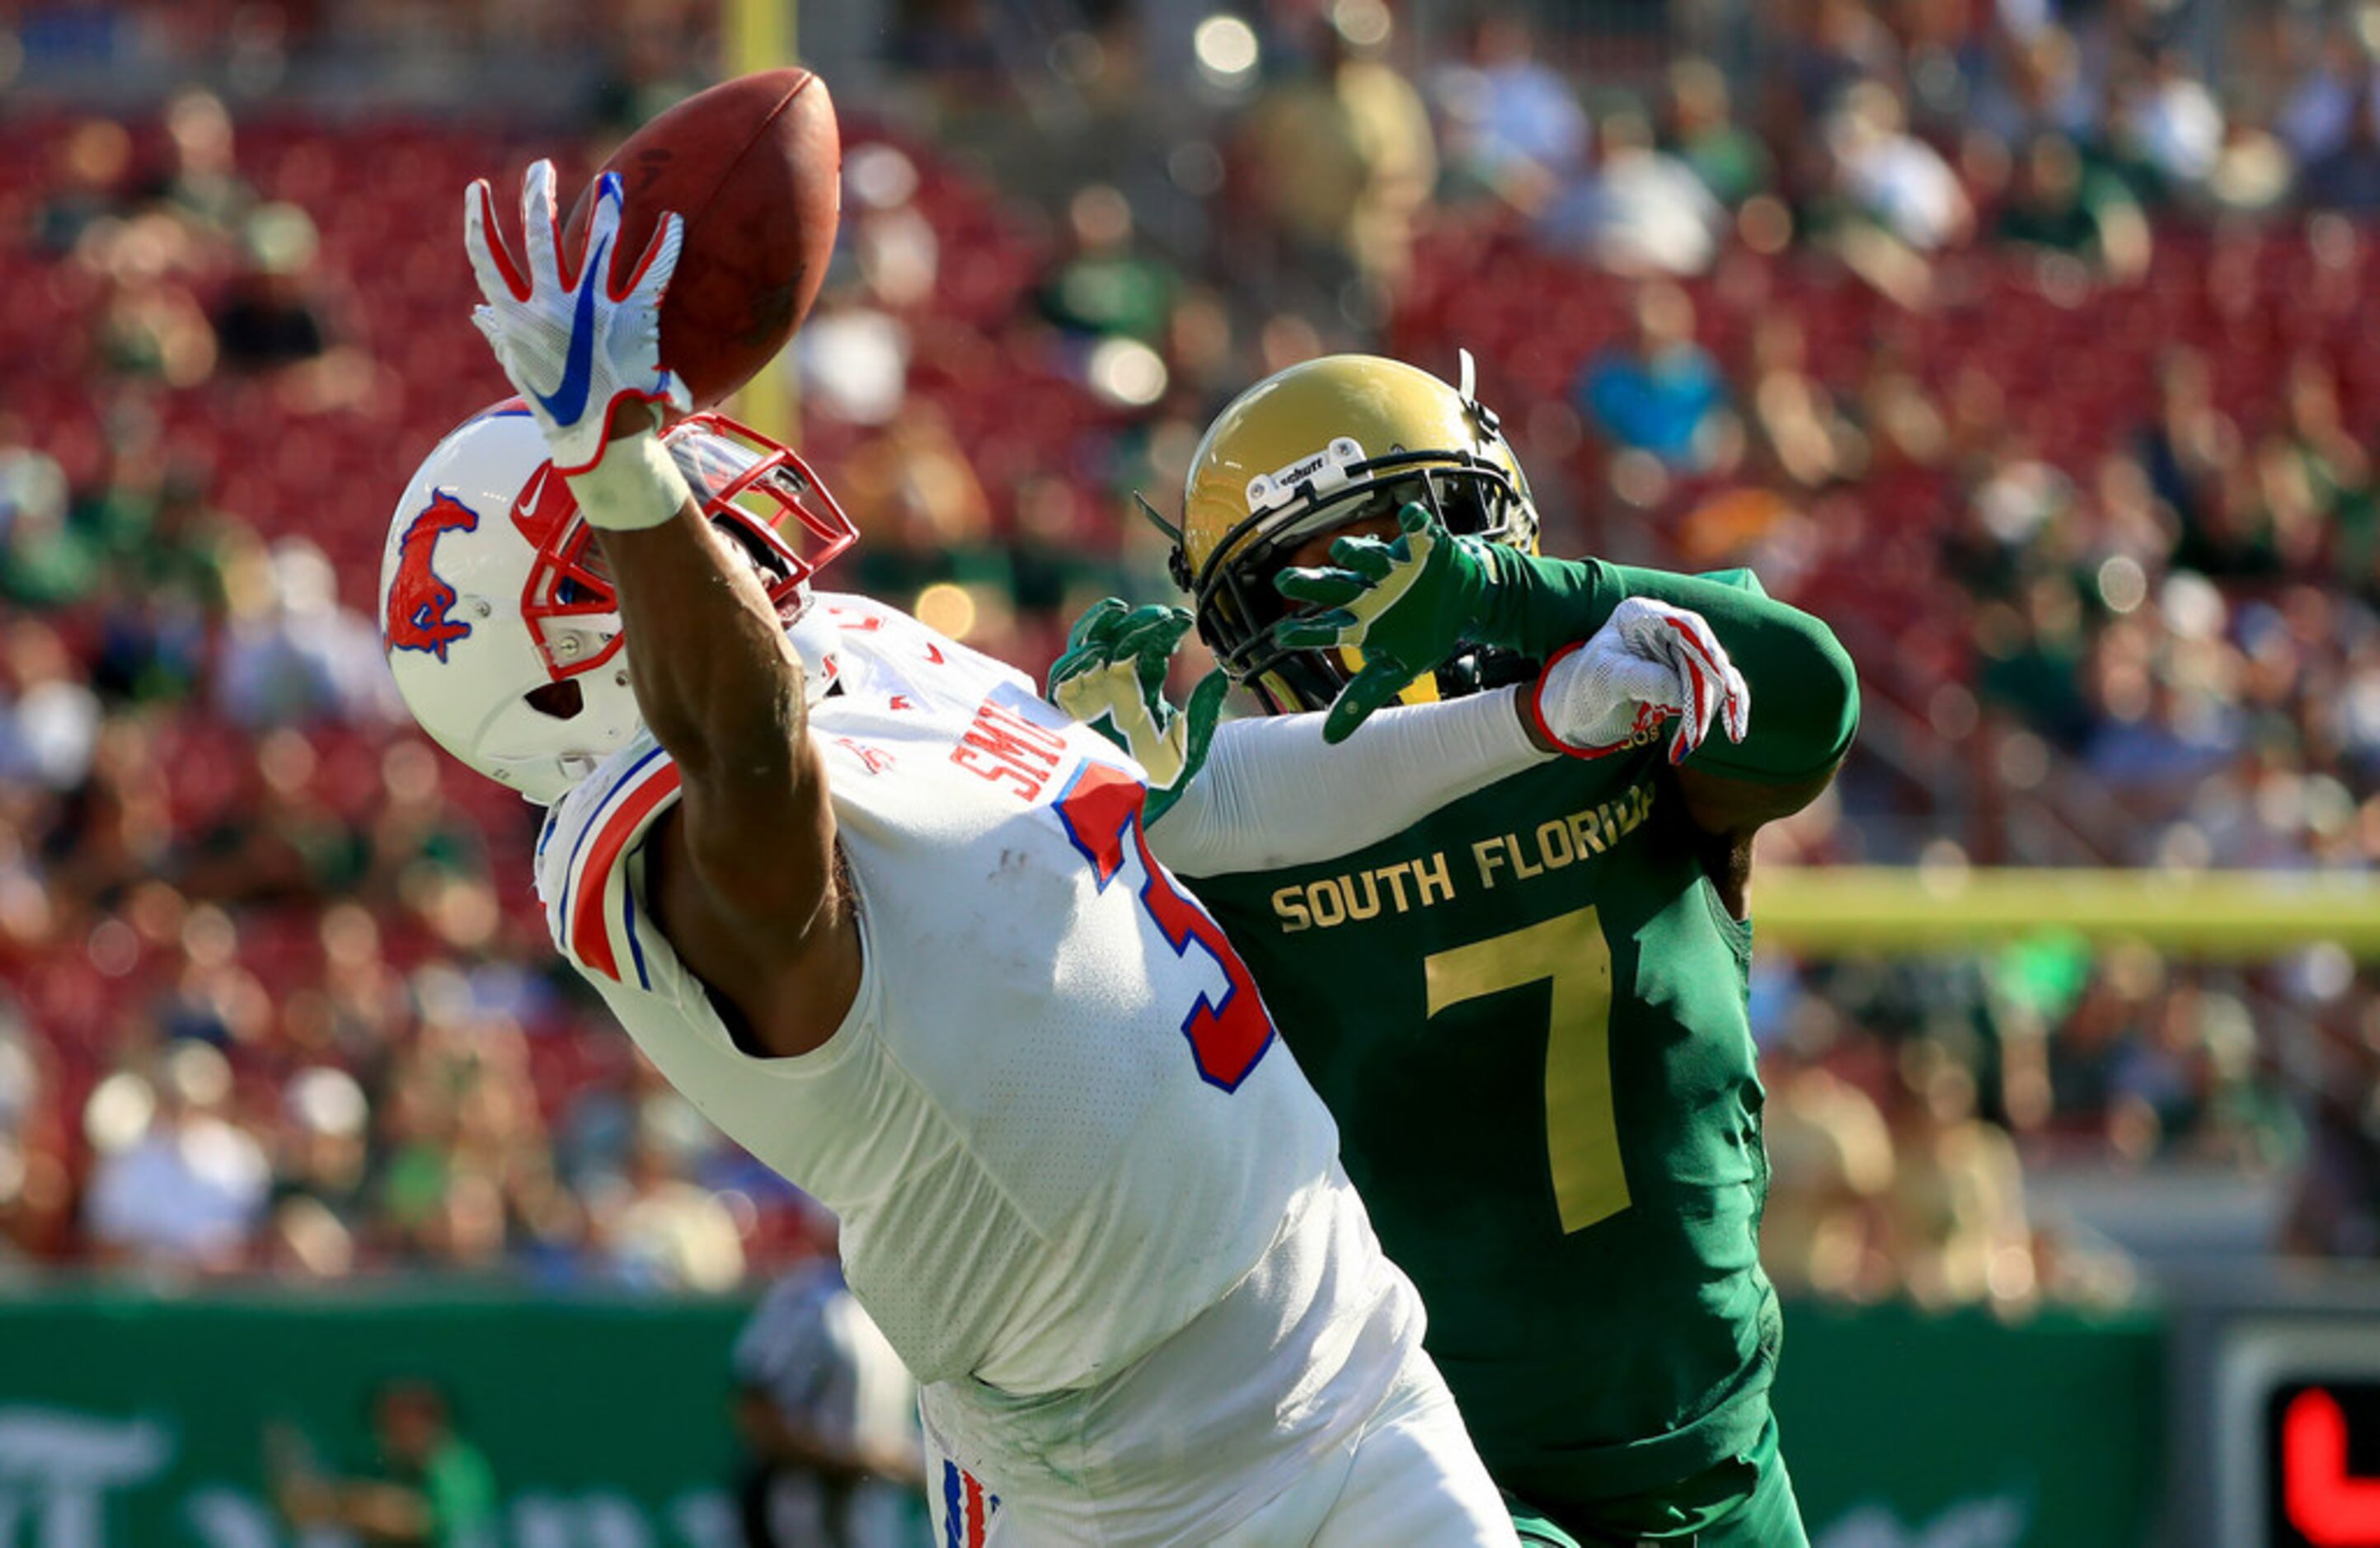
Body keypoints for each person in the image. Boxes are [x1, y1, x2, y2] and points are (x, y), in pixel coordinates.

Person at [390, 159, 1528, 1545]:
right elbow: (751, 772)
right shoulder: (648, 850)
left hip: (1343, 1340)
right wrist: (616, 470)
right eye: (629, 520)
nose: (703, 494)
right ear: (568, 653)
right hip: (1120, 1489)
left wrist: (1529, 719)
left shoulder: (857, 644)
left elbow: (1179, 800)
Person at [1051, 354, 1859, 1546]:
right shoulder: (1222, 826)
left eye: (1397, 534)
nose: (1359, 594)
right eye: (1307, 574)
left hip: (1712, 1451)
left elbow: (1810, 694)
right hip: (1423, 1472)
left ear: (1484, 518)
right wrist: (1075, 816)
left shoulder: (1621, 685)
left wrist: (1512, 602)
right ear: (1242, 622)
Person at [732, 1260, 925, 1548]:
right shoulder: (808, 1301)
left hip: (872, 1510)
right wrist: (851, 1459)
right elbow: (757, 1410)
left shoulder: (899, 1297)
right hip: (803, 1507)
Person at [270, 1379, 497, 1548]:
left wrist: (352, 1505)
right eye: (397, 1414)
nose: (409, 1426)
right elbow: (300, 1508)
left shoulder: (459, 1465)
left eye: (421, 1415)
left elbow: (421, 1524)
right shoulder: (370, 1460)